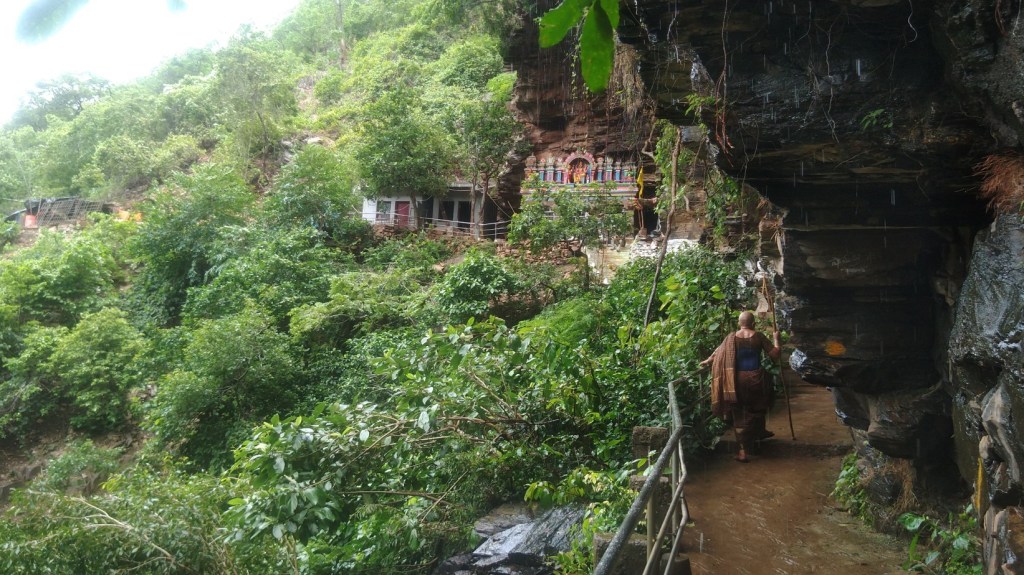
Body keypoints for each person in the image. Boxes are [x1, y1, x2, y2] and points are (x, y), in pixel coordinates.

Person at [699, 311, 781, 462]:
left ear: (739, 323)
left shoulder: (731, 338)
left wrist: (708, 361)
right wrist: (776, 340)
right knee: (758, 406)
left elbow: (719, 351)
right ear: (754, 323)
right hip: (757, 378)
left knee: (739, 413)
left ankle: (743, 451)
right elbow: (775, 355)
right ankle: (759, 431)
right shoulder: (759, 336)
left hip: (736, 382)